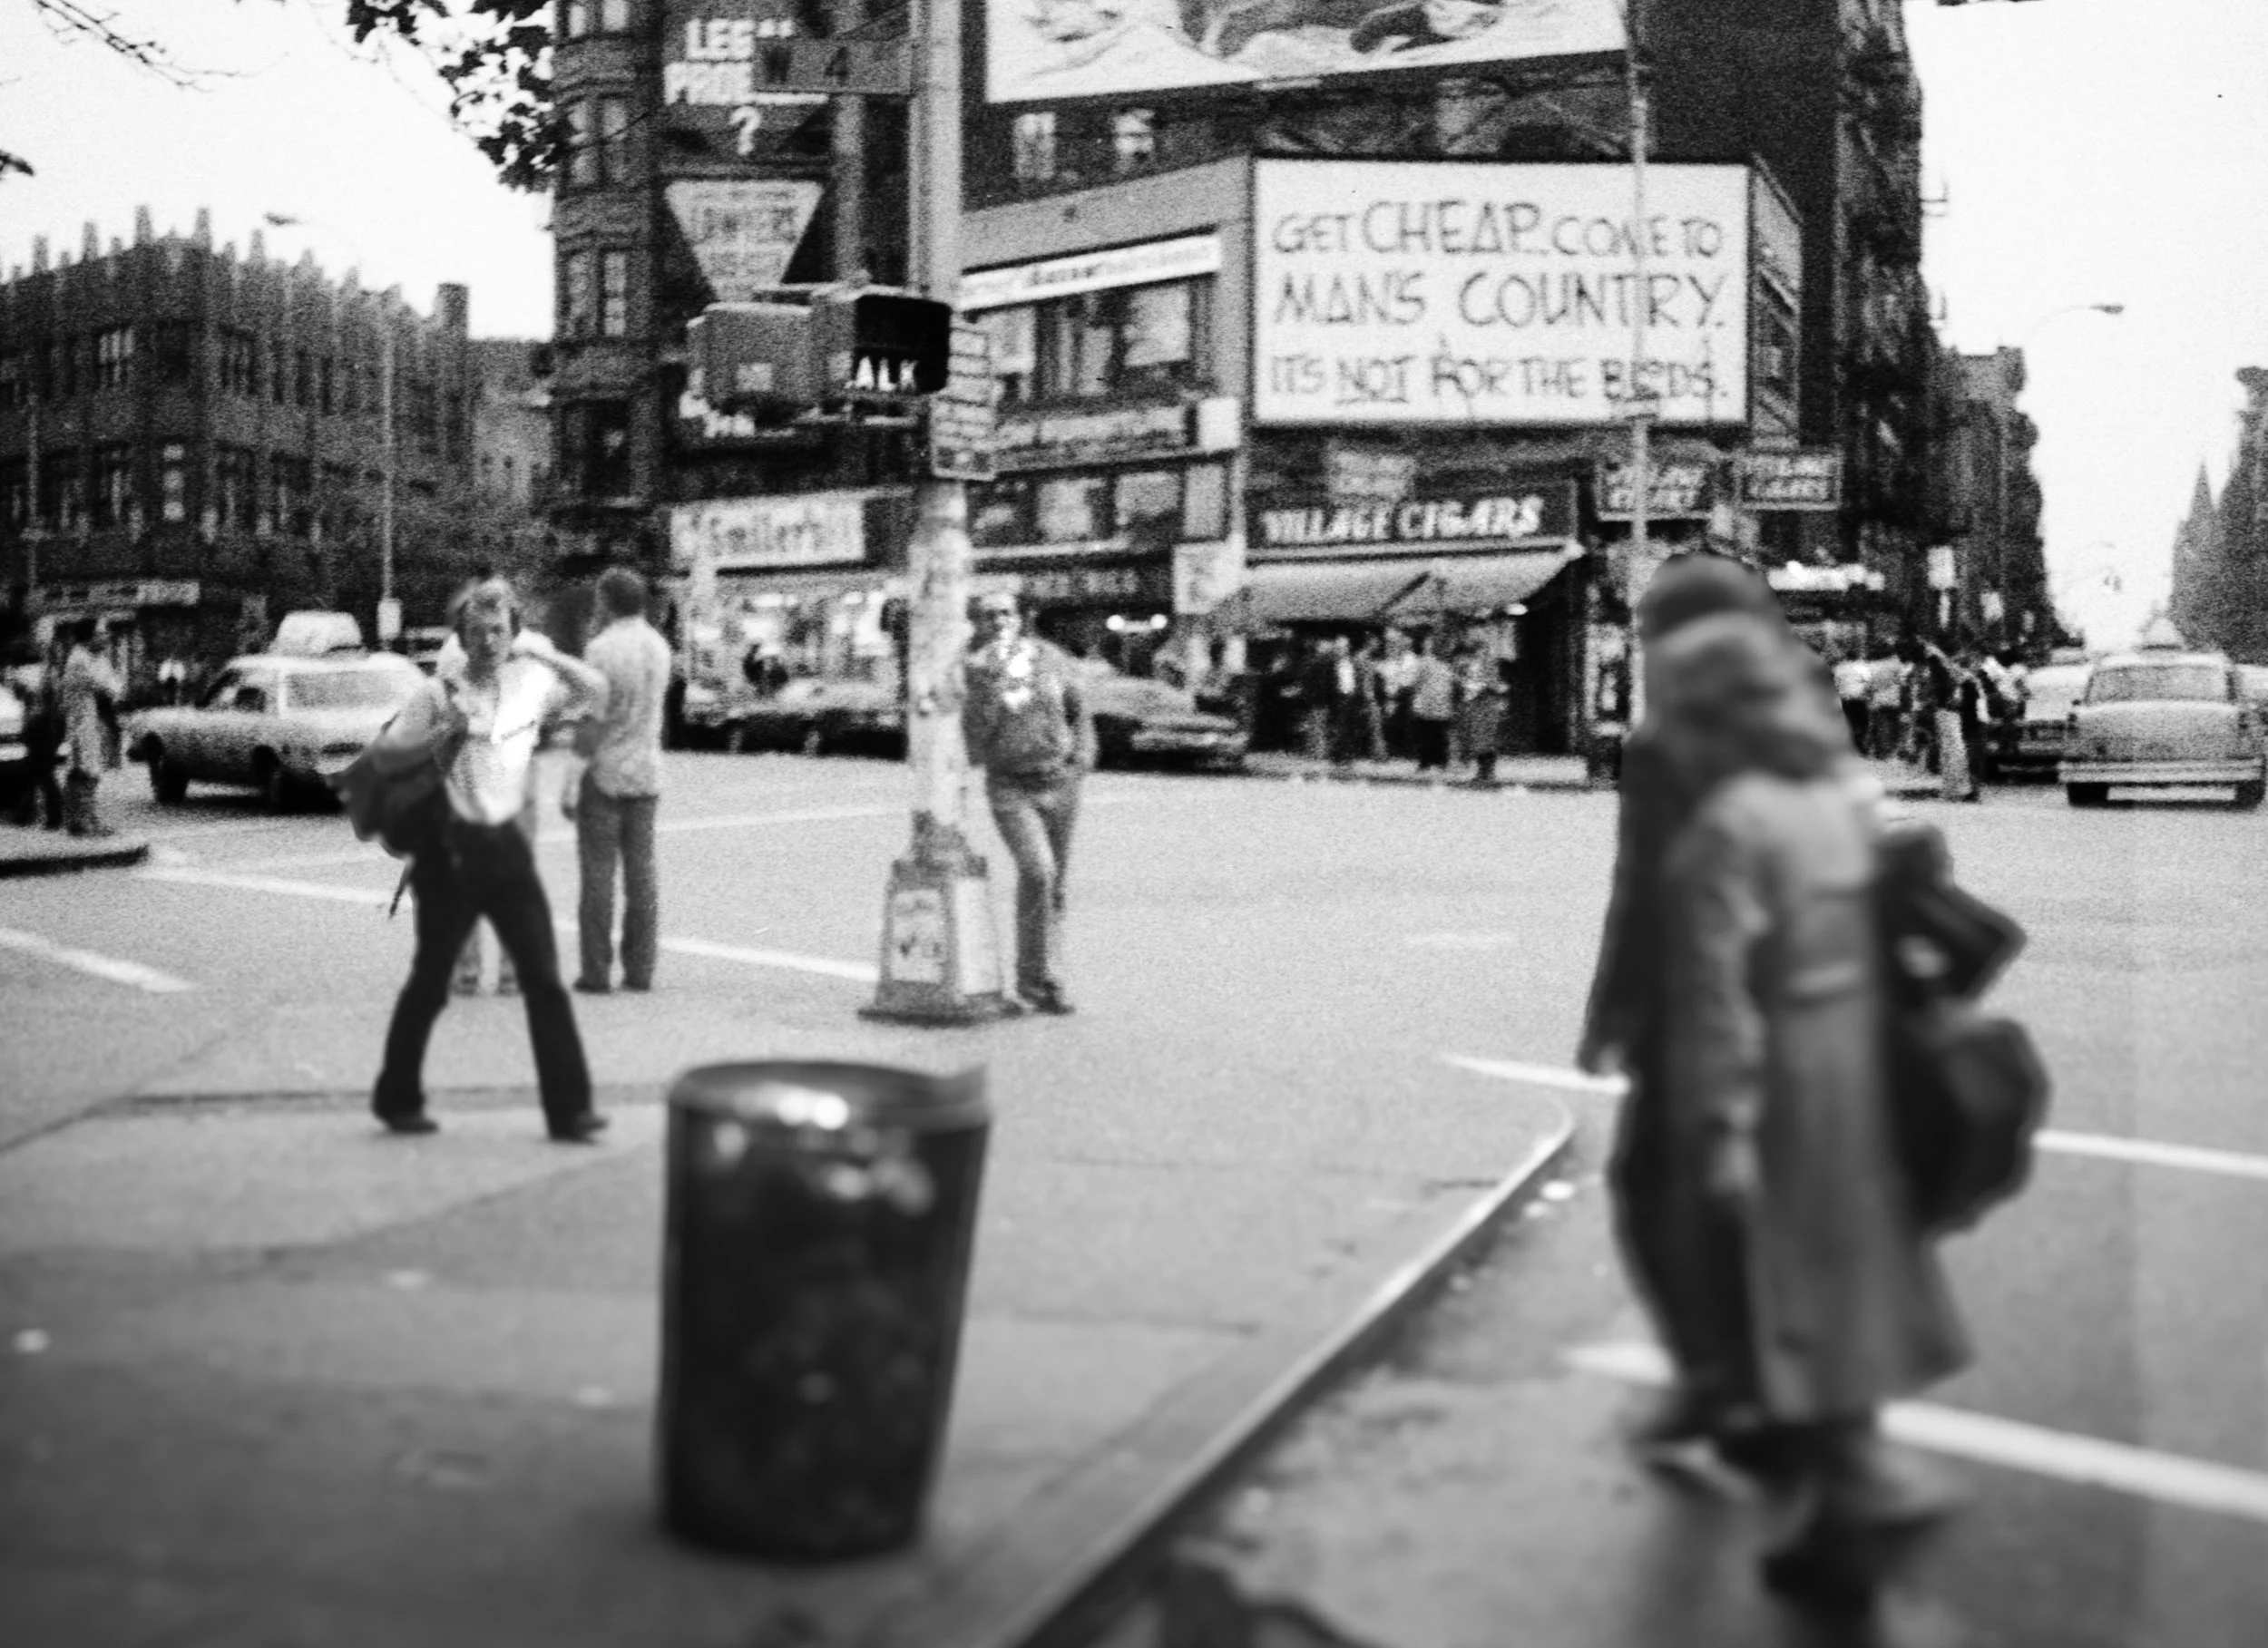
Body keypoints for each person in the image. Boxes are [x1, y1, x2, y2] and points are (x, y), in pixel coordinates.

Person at [1651, 610, 1970, 1604]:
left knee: (1795, 1269)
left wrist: (1725, 1119)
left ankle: (1850, 1494)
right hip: (1852, 1052)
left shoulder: (1731, 820)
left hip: (1783, 1063)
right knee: (1851, 1255)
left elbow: (1714, 988)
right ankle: (1857, 1464)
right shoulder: (1837, 796)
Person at [1579, 554, 1789, 1458]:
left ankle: (1720, 1377)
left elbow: (1647, 894)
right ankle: (1755, 1385)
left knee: (1653, 1188)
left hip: (1697, 1014)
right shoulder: (1790, 735)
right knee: (1751, 1197)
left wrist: (1612, 1013)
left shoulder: (1665, 748)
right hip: (1800, 1005)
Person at [364, 578, 612, 1142]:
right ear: (462, 638)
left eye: (499, 630)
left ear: (513, 633)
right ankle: (396, 1093)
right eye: (477, 632)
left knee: (543, 980)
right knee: (430, 981)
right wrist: (437, 744)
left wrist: (545, 652)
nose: (489, 641)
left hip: (505, 850)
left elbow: (598, 692)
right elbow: (389, 760)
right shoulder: (437, 693)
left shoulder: (532, 685)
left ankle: (569, 1109)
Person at [962, 592, 1095, 1016]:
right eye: (989, 614)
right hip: (1011, 788)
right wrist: (988, 688)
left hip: (1060, 782)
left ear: (1021, 618)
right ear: (977, 624)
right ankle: (1033, 978)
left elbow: (1078, 710)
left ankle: (1043, 982)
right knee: (1038, 872)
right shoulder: (974, 670)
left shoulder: (1049, 657)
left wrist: (1081, 758)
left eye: (1007, 612)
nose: (999, 620)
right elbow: (975, 744)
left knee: (1053, 886)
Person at [570, 566, 672, 995]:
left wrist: (572, 774)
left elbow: (593, 718)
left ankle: (596, 971)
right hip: (647, 769)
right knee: (642, 874)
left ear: (606, 601)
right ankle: (640, 969)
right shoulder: (659, 646)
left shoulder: (601, 650)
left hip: (606, 771)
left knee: (598, 874)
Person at [59, 621, 123, 838]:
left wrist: (111, 688)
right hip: (83, 723)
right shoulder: (79, 660)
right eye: (101, 633)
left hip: (97, 720)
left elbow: (115, 688)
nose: (107, 637)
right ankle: (81, 821)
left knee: (92, 771)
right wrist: (110, 688)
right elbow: (105, 686)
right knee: (84, 772)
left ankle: (87, 818)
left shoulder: (98, 659)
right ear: (89, 637)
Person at [1452, 639, 1506, 783]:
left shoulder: (1490, 665)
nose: (1480, 654)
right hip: (1474, 705)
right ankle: (1482, 771)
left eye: (1483, 651)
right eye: (1478, 652)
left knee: (1486, 739)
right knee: (1476, 739)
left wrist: (1482, 686)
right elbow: (1460, 679)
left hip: (1486, 705)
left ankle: (1488, 771)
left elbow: (1496, 684)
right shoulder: (1470, 664)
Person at [1407, 633, 1457, 773]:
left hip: (1438, 703)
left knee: (1435, 735)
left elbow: (1452, 682)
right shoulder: (1428, 662)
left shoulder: (1446, 664)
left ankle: (1435, 762)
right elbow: (1417, 682)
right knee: (1430, 734)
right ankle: (1431, 762)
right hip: (1430, 703)